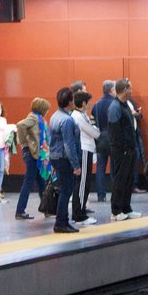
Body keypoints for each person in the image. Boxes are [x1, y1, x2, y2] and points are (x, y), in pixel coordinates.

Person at [107, 79, 141, 221]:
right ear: (125, 89)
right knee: (120, 180)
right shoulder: (115, 107)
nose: (132, 90)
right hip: (122, 151)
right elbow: (114, 132)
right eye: (131, 88)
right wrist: (123, 149)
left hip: (130, 149)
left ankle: (126, 208)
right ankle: (116, 210)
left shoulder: (125, 105)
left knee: (128, 180)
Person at [14, 97, 51, 220]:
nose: (47, 112)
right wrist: (24, 143)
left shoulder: (39, 119)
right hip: (32, 154)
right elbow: (20, 125)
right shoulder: (34, 118)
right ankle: (20, 211)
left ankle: (46, 208)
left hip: (37, 154)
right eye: (46, 109)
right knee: (29, 182)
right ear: (41, 109)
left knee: (41, 182)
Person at [48, 89, 79, 233]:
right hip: (64, 158)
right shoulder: (67, 120)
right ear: (70, 101)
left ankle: (63, 221)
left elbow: (52, 140)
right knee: (66, 191)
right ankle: (61, 222)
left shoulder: (55, 116)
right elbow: (69, 144)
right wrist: (76, 165)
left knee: (62, 190)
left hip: (55, 157)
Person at [69, 91, 100, 226]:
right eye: (89, 102)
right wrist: (96, 130)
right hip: (84, 149)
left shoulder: (81, 115)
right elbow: (93, 132)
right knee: (82, 183)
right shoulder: (77, 116)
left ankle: (80, 212)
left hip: (87, 149)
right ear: (83, 103)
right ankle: (79, 215)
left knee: (84, 183)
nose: (90, 104)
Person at [91, 80, 116, 204]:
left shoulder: (96, 105)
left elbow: (93, 122)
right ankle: (116, 192)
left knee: (100, 167)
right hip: (113, 137)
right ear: (111, 90)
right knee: (114, 166)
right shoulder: (115, 104)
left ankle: (101, 195)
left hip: (101, 138)